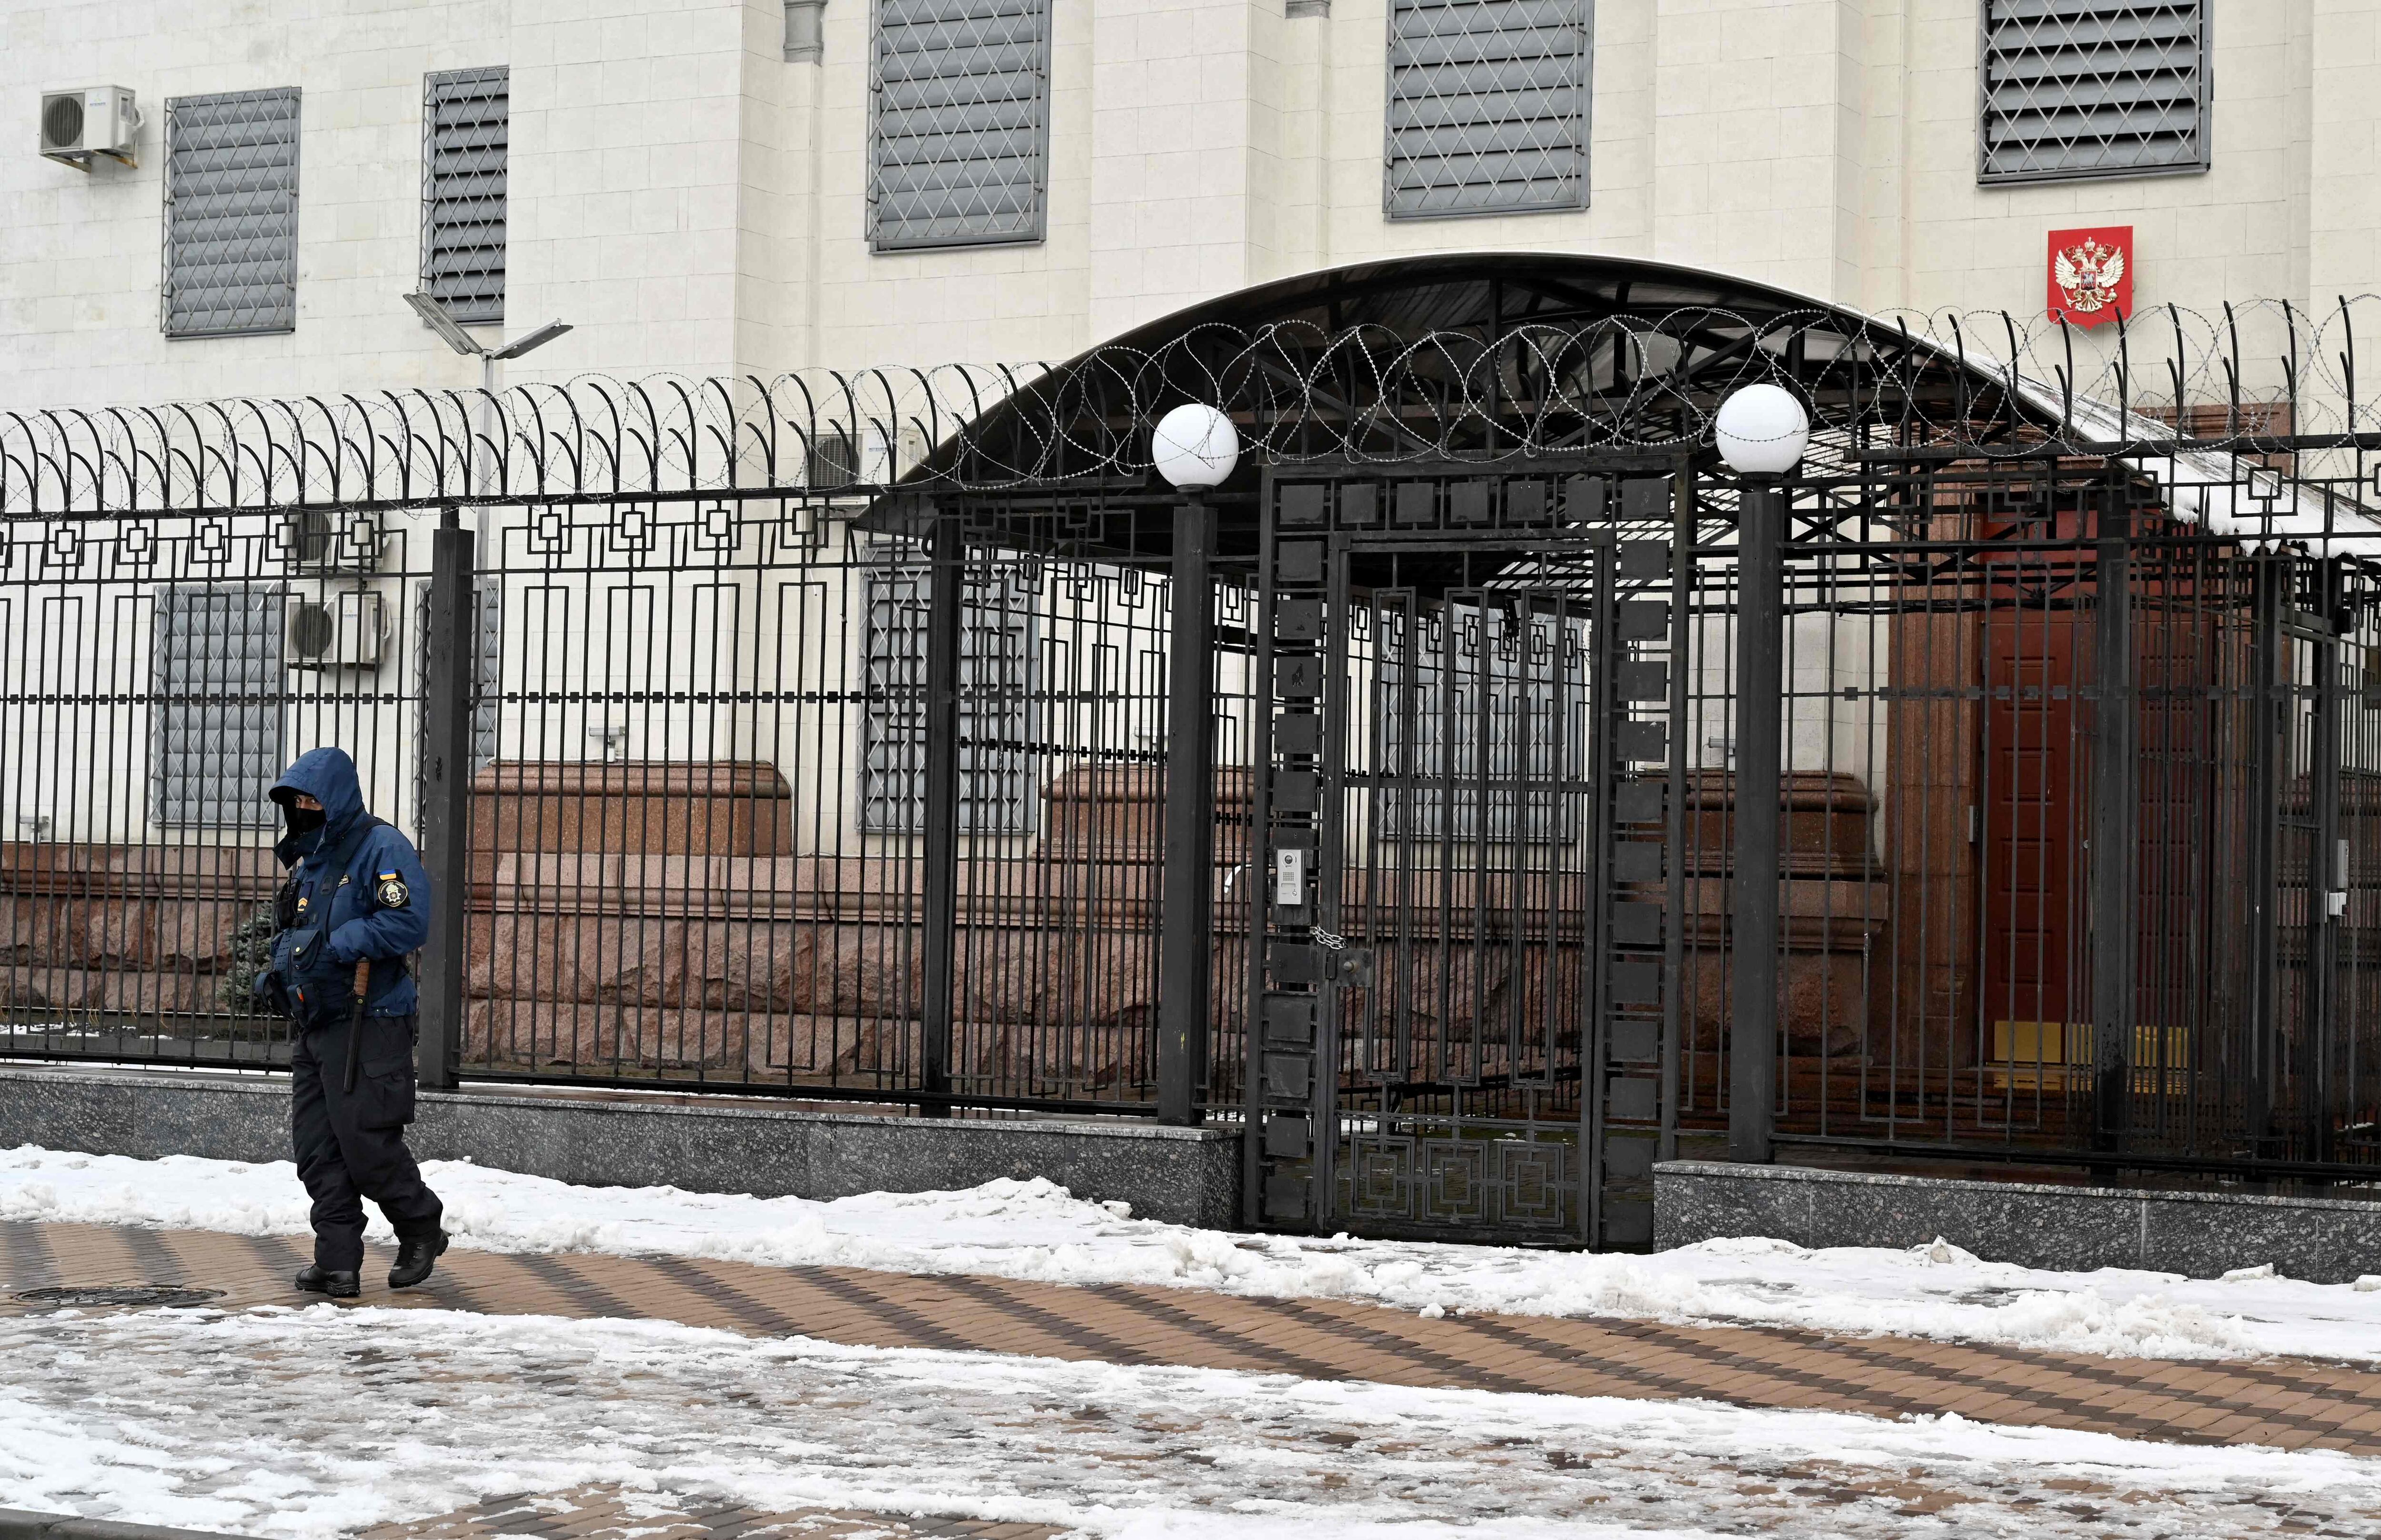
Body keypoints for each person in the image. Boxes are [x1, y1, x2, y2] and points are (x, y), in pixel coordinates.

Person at [250, 746, 449, 1298]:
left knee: (366, 1145)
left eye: (314, 800)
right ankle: (337, 1263)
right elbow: (298, 932)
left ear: (337, 799)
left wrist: (342, 945)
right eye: (297, 801)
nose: (305, 809)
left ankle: (420, 1226)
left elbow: (408, 920)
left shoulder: (380, 847)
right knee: (317, 1150)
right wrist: (278, 974)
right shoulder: (310, 858)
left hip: (370, 1019)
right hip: (318, 1022)